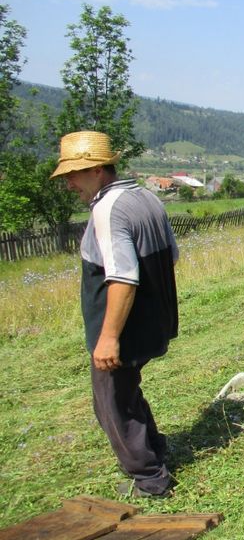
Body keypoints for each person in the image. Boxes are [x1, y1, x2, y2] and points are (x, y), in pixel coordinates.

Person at [51, 130, 178, 498]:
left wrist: (108, 337)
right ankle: (156, 449)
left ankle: (150, 480)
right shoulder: (146, 197)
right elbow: (171, 256)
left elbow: (122, 277)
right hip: (150, 321)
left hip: (123, 330)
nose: (69, 183)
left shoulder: (107, 209)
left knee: (111, 403)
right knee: (125, 392)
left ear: (97, 170)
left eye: (74, 174)